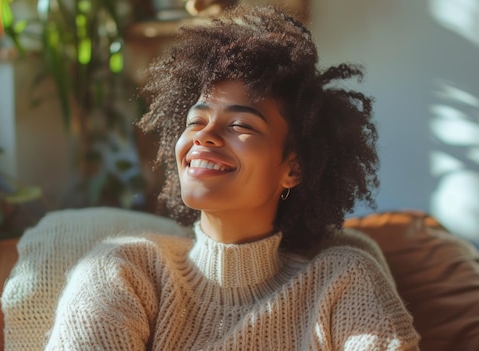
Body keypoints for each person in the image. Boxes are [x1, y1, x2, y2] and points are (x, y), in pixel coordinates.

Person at [44, 5, 420, 350]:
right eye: (195, 120)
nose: (204, 135)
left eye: (241, 124)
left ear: (293, 168)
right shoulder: (122, 271)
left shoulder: (343, 280)